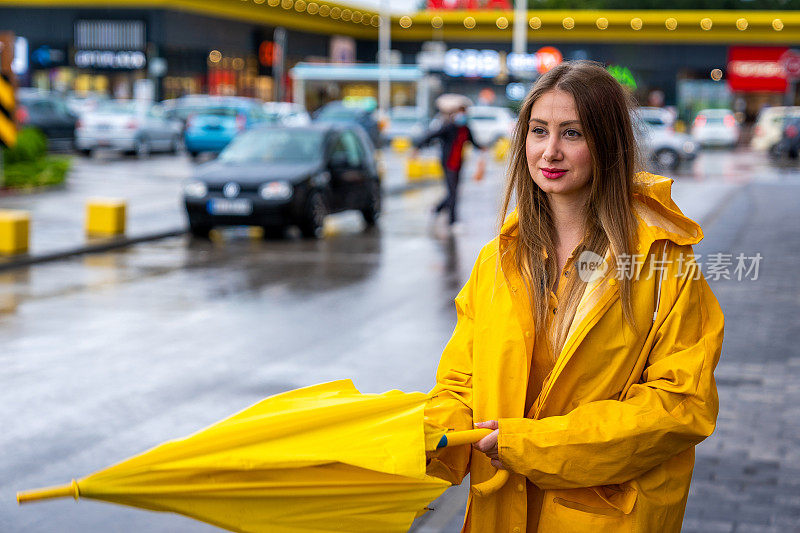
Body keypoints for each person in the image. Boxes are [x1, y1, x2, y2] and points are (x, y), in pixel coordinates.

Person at [424, 60, 725, 532]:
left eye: (573, 134)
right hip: (501, 513)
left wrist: (531, 445)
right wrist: (431, 440)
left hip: (605, 518)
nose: (550, 151)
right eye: (539, 131)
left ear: (608, 144)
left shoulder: (662, 264)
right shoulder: (497, 261)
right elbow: (461, 380)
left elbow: (681, 406)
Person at [412, 105, 486, 227]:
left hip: (458, 164)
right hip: (448, 163)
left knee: (453, 192)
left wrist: (482, 147)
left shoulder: (466, 129)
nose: (461, 116)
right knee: (453, 193)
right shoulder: (448, 127)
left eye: (463, 113)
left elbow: (473, 142)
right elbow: (431, 135)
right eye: (459, 113)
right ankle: (452, 221)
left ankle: (436, 209)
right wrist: (417, 147)